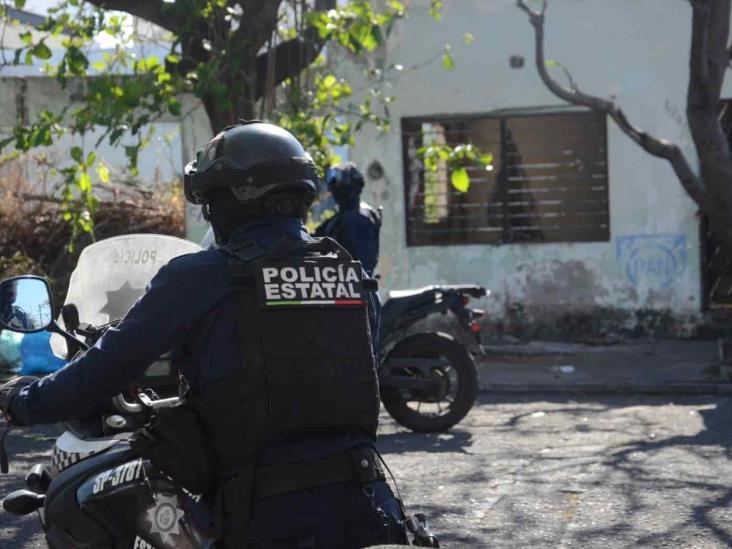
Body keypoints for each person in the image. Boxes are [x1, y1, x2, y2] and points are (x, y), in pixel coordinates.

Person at [0, 121, 408, 548]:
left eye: (210, 199)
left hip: (265, 516)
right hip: (371, 505)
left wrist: (21, 402)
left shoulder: (206, 276)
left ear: (231, 198)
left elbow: (106, 368)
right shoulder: (353, 278)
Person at [314, 162, 382, 276]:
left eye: (340, 179)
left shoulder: (360, 218)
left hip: (351, 288)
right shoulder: (337, 219)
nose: (335, 185)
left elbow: (365, 263)